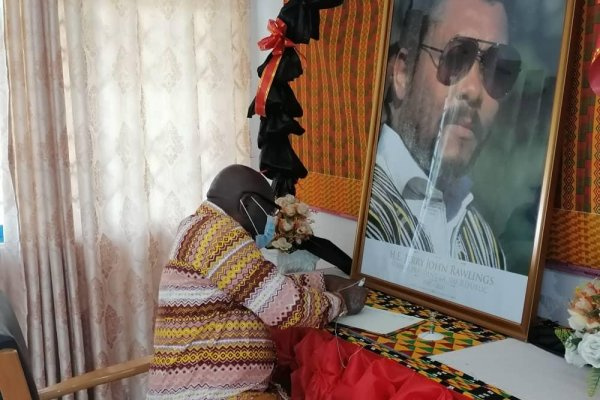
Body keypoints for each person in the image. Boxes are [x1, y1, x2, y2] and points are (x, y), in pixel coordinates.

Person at [147, 164, 366, 400]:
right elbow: (284, 306)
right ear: (248, 204)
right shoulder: (221, 234)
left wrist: (322, 280)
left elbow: (258, 285)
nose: (272, 220)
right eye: (270, 210)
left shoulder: (198, 226)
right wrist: (341, 303)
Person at [367, 0, 521, 270]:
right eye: (456, 57)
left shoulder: (486, 246)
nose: (473, 91)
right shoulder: (357, 207)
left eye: (497, 69)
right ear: (402, 73)